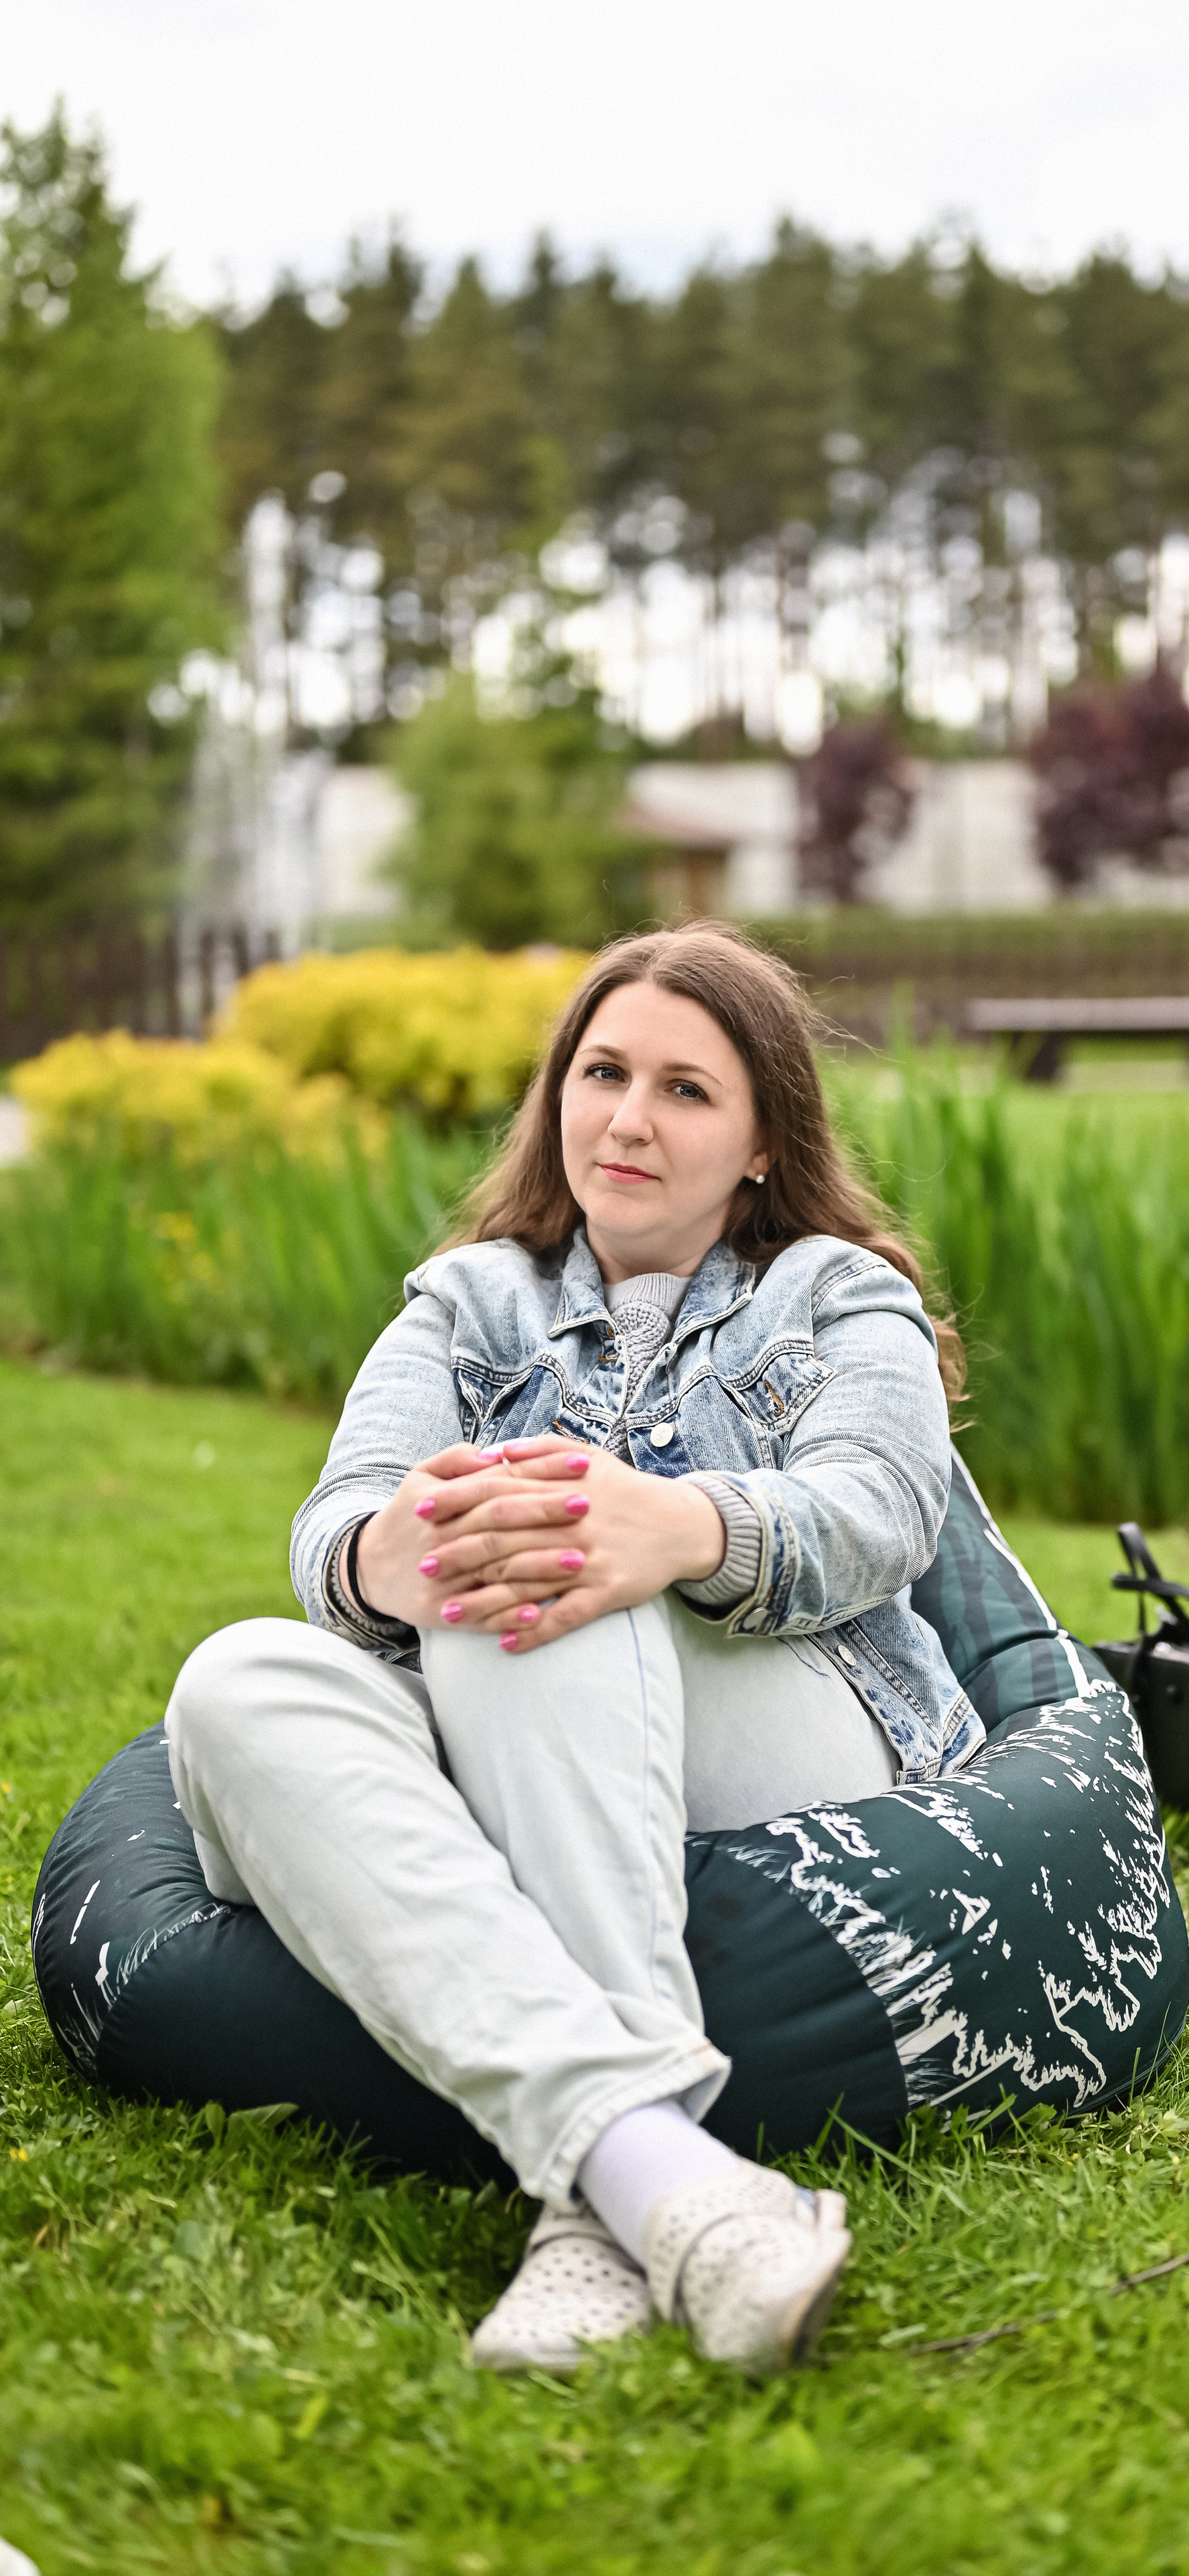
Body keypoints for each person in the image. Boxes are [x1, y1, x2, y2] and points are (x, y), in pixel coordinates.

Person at [162, 923, 979, 2376]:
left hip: (799, 1711)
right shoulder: (467, 1299)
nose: (626, 1117)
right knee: (237, 1677)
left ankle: (595, 2216)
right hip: (517, 1721)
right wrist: (375, 1559)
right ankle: (667, 2184)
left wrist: (666, 1528)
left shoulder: (837, 1293)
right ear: (555, 1096)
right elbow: (340, 1518)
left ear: (759, 1143)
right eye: (602, 1072)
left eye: (684, 1088)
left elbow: (884, 1508)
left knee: (536, 1581)